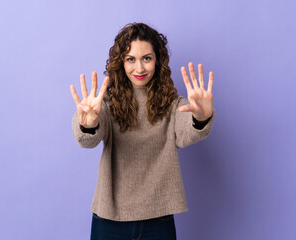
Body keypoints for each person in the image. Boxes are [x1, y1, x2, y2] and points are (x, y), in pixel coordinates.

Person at [70, 22, 215, 240]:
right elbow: (88, 139)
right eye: (131, 59)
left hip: (158, 220)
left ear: (158, 61)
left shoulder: (174, 105)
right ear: (121, 62)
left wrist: (201, 118)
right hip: (110, 219)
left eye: (146, 58)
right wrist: (88, 124)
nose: (139, 68)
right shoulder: (105, 104)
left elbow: (187, 133)